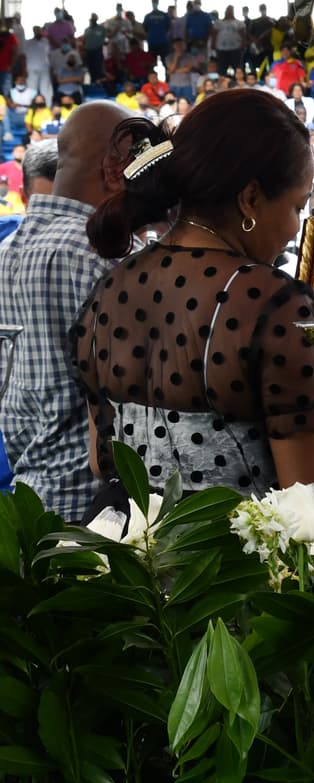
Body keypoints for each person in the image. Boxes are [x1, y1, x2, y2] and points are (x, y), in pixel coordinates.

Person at [72, 90, 314, 533]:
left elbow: (101, 460)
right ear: (250, 199)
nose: (297, 225)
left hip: (122, 577)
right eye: (296, 206)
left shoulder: (109, 290)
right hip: (234, 586)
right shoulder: (272, 305)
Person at [0, 102, 132, 521]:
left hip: (29, 501)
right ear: (114, 170)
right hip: (93, 515)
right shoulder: (103, 259)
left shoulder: (5, 253)